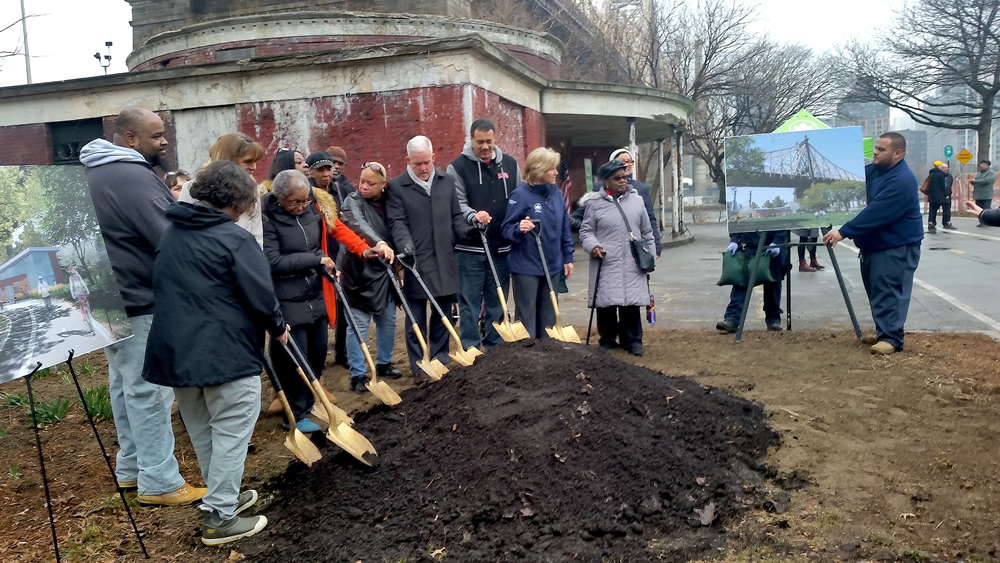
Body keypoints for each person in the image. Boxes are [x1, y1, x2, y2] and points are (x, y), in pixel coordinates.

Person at [142, 160, 289, 546]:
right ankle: (220, 517)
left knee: (204, 430)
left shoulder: (172, 231)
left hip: (177, 353)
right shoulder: (234, 239)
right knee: (231, 431)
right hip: (225, 352)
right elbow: (260, 294)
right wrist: (278, 326)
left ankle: (222, 497)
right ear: (239, 201)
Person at [80, 106, 206, 505]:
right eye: (156, 135)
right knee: (150, 391)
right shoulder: (132, 176)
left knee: (124, 386)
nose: (164, 141)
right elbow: (167, 237)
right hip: (139, 298)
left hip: (106, 301)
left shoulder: (91, 172)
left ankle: (132, 468)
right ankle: (161, 481)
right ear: (130, 139)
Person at [262, 170, 378, 428]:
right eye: (295, 202)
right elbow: (273, 261)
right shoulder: (267, 218)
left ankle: (311, 401)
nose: (301, 206)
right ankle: (295, 414)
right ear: (279, 197)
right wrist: (316, 260)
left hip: (314, 293)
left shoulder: (313, 210)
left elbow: (331, 234)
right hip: (285, 298)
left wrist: (354, 253)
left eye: (305, 201)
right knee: (294, 358)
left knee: (316, 353)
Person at [823, 132, 923, 355]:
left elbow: (876, 213)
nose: (875, 153)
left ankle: (891, 338)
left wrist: (843, 232)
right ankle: (884, 331)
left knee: (890, 290)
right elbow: (850, 179)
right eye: (875, 148)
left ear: (898, 153)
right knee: (877, 290)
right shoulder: (877, 171)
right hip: (876, 245)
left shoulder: (901, 180)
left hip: (896, 246)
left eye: (881, 150)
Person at [387, 135, 471, 382]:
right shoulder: (397, 186)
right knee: (415, 318)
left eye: (426, 162)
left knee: (443, 314)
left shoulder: (446, 181)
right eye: (417, 164)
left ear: (433, 158)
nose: (423, 168)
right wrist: (405, 245)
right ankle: (420, 366)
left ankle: (440, 357)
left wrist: (468, 230)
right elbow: (397, 221)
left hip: (444, 258)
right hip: (416, 261)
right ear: (407, 160)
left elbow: (456, 216)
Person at [446, 118, 521, 350]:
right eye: (480, 142)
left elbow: (518, 198)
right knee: (469, 301)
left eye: (489, 141)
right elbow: (457, 203)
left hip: (500, 246)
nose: (485, 146)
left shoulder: (509, 164)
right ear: (471, 139)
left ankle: (494, 345)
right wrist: (474, 216)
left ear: (495, 139)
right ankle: (470, 346)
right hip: (469, 247)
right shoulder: (457, 167)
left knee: (497, 300)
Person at [578, 159, 653, 355]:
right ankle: (608, 338)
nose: (623, 181)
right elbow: (586, 231)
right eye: (617, 178)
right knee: (607, 301)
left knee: (631, 302)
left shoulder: (637, 201)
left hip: (632, 260)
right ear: (606, 182)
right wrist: (593, 246)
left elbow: (647, 231)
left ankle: (633, 340)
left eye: (625, 177)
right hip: (606, 259)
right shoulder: (594, 204)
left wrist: (650, 256)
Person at [500, 147, 575, 339]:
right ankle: (527, 356)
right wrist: (519, 228)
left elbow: (564, 228)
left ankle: (547, 356)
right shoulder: (521, 195)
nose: (556, 172)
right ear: (539, 169)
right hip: (527, 267)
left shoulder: (556, 193)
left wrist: (568, 257)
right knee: (527, 314)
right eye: (552, 169)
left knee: (549, 313)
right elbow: (506, 229)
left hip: (553, 265)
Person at [340, 162, 400, 392]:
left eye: (370, 183)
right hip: (359, 271)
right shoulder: (352, 201)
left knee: (389, 321)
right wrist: (381, 243)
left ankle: (384, 363)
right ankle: (358, 374)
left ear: (383, 185)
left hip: (385, 270)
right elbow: (358, 223)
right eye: (361, 181)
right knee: (358, 324)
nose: (363, 186)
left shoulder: (391, 202)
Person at [306, 149, 352, 367]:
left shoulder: (341, 190)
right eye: (321, 170)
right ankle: (317, 354)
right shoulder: (306, 195)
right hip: (317, 254)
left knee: (343, 305)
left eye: (329, 169)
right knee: (320, 307)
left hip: (339, 251)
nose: (326, 174)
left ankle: (342, 353)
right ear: (311, 173)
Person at [179, 133, 266, 248]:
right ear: (228, 160)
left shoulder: (252, 189)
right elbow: (183, 231)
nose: (254, 167)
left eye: (255, 162)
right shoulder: (192, 187)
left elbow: (256, 236)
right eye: (248, 161)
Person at [715, 230, 790, 333]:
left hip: (772, 243)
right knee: (742, 280)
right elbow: (736, 221)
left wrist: (777, 241)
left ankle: (773, 320)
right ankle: (732, 319)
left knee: (772, 282)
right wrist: (734, 240)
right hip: (749, 244)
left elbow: (784, 220)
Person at [608, 148, 662, 257]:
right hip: (610, 247)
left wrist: (656, 246)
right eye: (623, 161)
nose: (627, 165)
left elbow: (650, 218)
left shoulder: (641, 189)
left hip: (636, 246)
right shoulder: (601, 189)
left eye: (629, 161)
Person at [926, 161, 955, 233]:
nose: (946, 169)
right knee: (946, 209)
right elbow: (945, 186)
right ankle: (946, 222)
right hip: (943, 196)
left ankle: (931, 223)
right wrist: (947, 194)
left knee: (932, 210)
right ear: (940, 167)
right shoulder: (944, 175)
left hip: (933, 196)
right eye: (944, 167)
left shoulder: (931, 174)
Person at [973, 160, 995, 227]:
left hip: (986, 194)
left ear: (987, 165)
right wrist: (973, 182)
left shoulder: (990, 173)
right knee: (979, 209)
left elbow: (987, 181)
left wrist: (976, 181)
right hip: (978, 194)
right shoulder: (979, 173)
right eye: (981, 164)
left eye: (983, 164)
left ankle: (986, 222)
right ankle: (981, 221)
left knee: (986, 209)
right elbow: (976, 180)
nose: (981, 165)